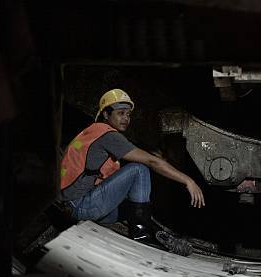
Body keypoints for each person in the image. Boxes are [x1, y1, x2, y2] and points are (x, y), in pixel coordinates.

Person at [59, 89, 205, 252]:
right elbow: (151, 161)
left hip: (73, 206)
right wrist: (188, 181)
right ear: (106, 115)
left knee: (134, 209)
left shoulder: (91, 132)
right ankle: (142, 237)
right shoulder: (109, 136)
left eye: (128, 114)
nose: (126, 118)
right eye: (120, 113)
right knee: (139, 170)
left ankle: (157, 234)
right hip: (82, 207)